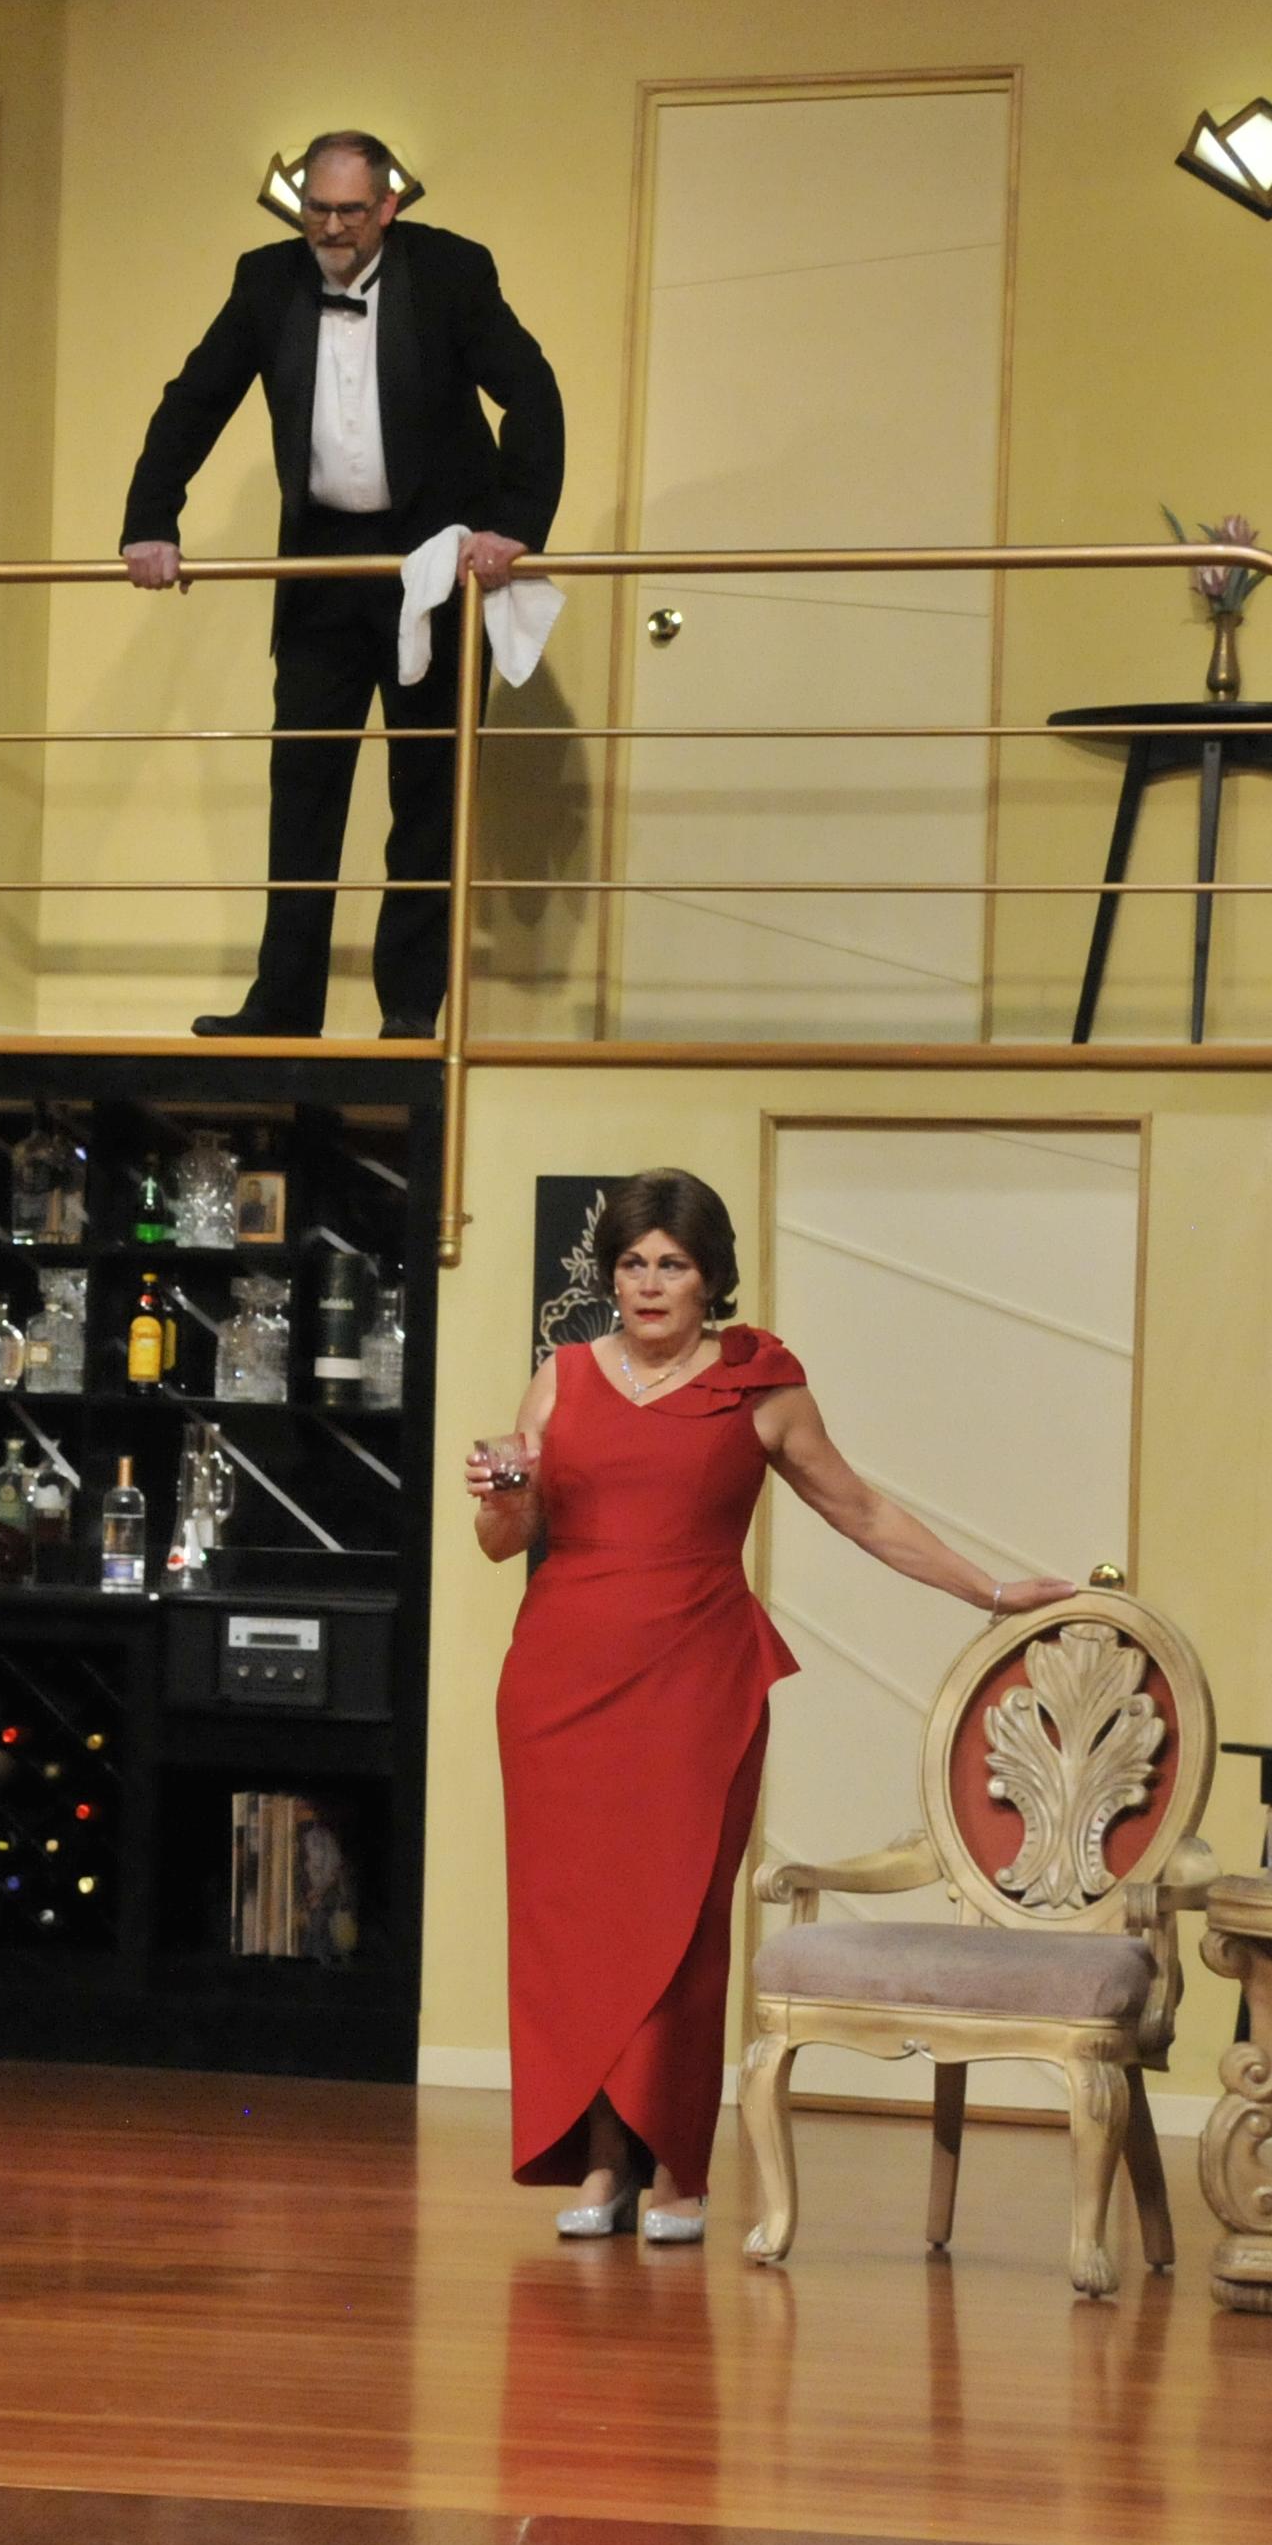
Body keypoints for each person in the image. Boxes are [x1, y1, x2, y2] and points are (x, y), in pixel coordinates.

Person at [464, 1168, 1074, 2245]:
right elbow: (504, 1541)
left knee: (679, 1926)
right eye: (632, 1264)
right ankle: (602, 2163)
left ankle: (677, 2170)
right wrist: (506, 1492)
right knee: (575, 1934)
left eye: (673, 1265)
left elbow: (860, 1511)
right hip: (560, 1689)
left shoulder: (761, 1385)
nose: (649, 1284)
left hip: (695, 1685)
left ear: (711, 1278)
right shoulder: (559, 1378)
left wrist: (988, 1590)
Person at [120, 128, 566, 1040]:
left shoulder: (451, 271)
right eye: (316, 210)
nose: (331, 228)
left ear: (388, 207)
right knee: (304, 788)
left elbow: (533, 391)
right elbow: (193, 401)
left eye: (351, 211)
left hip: (431, 567)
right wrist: (150, 521)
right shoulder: (264, 280)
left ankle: (409, 1008)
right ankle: (283, 1004)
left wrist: (515, 524)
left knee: (429, 794)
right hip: (322, 569)